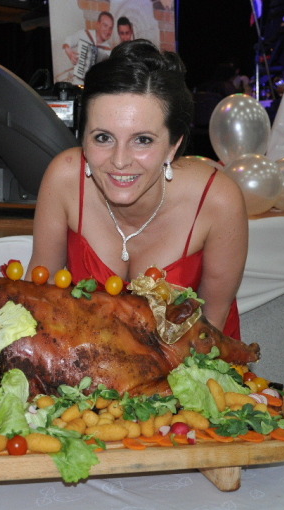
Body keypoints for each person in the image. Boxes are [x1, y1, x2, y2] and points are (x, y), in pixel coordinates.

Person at [29, 39, 247, 338]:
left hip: (195, 358)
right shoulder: (64, 178)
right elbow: (38, 304)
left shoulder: (218, 201)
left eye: (143, 140)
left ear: (173, 146)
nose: (120, 161)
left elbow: (213, 327)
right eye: (103, 137)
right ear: (83, 138)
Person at [61, 11, 114, 84]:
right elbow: (68, 41)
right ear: (98, 24)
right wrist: (69, 53)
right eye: (105, 25)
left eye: (110, 28)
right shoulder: (84, 34)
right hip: (78, 83)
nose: (108, 31)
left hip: (94, 86)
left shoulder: (109, 51)